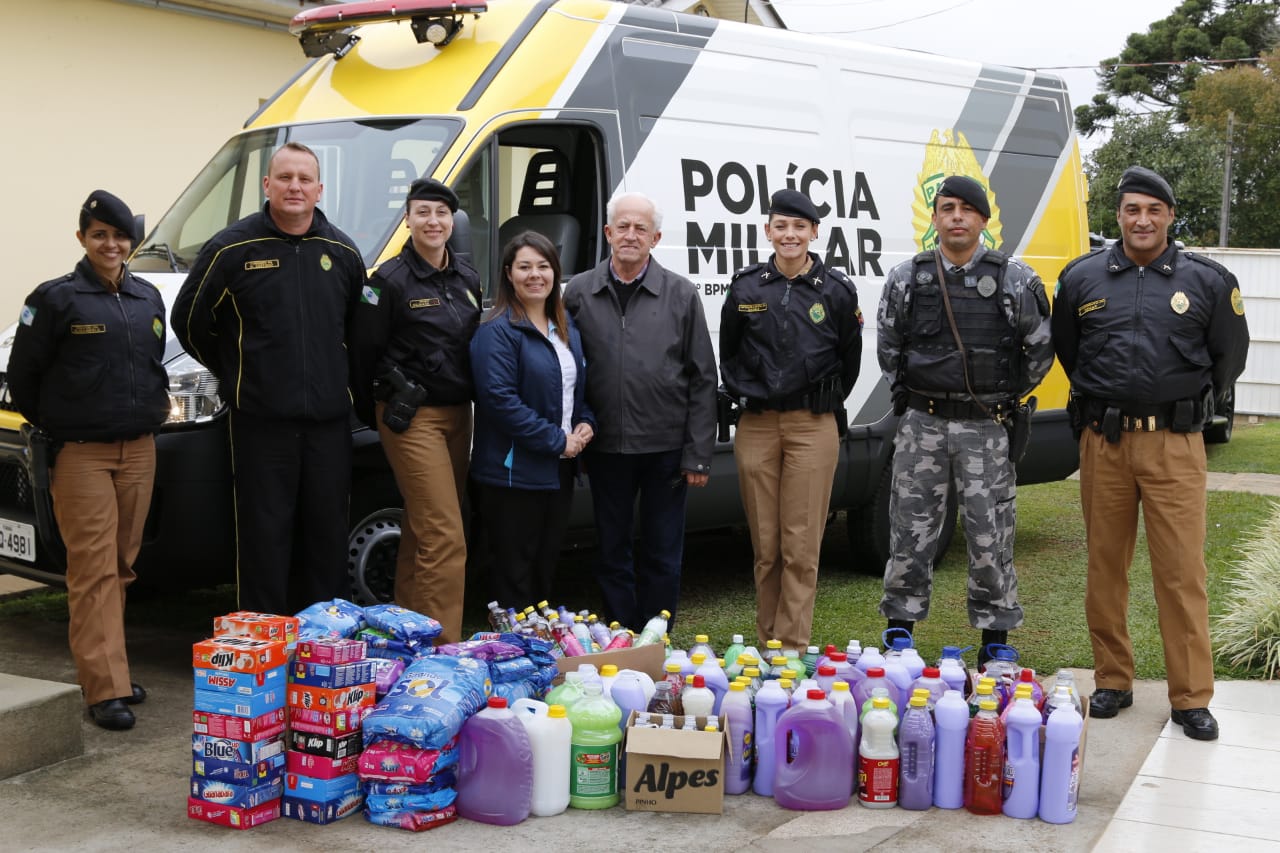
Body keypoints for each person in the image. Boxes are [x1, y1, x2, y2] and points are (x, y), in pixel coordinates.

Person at [1052, 165, 1249, 740]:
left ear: (1169, 216)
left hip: (1175, 444)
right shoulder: (1082, 278)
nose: (1142, 220)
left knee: (1182, 571)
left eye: (1153, 210)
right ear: (1119, 215)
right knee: (1105, 567)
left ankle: (1190, 696)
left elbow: (1227, 358)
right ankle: (1112, 679)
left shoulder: (1208, 281)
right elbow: (1070, 350)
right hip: (1105, 443)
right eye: (1132, 209)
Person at [173, 142, 366, 616]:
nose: (295, 187)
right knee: (264, 538)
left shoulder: (341, 252)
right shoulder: (231, 249)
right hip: (261, 423)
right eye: (285, 177)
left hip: (328, 424)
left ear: (320, 189)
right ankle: (264, 646)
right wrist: (236, 371)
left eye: (304, 179)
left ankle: (322, 645)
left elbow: (358, 333)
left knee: (325, 538)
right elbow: (190, 321)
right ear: (267, 185)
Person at [8, 191, 169, 730]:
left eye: (120, 236)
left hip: (139, 450)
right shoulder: (54, 299)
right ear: (82, 239)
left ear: (131, 242)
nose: (111, 244)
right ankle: (103, 690)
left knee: (121, 567)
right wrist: (64, 423)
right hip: (81, 454)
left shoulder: (147, 297)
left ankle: (113, 673)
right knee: (93, 570)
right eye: (99, 234)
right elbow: (25, 377)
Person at [876, 175, 1053, 664]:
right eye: (946, 207)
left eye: (966, 209)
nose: (956, 216)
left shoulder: (1015, 279)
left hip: (985, 428)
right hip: (923, 424)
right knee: (909, 529)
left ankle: (995, 639)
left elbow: (1039, 350)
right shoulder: (907, 278)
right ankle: (899, 628)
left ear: (983, 220)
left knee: (989, 532)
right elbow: (889, 347)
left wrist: (1001, 398)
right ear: (934, 218)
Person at [563, 192, 717, 632]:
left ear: (656, 238)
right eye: (623, 227)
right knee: (611, 547)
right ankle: (620, 632)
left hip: (665, 448)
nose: (631, 236)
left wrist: (698, 454)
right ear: (609, 233)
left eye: (641, 229)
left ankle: (656, 634)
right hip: (605, 445)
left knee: (662, 549)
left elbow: (704, 377)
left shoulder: (681, 295)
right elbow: (567, 367)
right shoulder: (579, 292)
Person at [720, 189, 862, 651]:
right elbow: (730, 352)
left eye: (800, 226)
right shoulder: (747, 287)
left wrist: (819, 399)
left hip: (812, 424)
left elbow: (849, 360)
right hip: (758, 425)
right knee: (766, 547)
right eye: (781, 225)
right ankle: (767, 646)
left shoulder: (836, 292)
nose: (790, 235)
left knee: (800, 547)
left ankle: (792, 648)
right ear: (768, 230)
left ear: (815, 232)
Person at [349, 178, 481, 644]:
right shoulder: (386, 282)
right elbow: (362, 355)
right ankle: (442, 651)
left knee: (423, 526)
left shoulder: (466, 277)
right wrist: (382, 412)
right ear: (407, 218)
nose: (432, 221)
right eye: (422, 212)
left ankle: (405, 629)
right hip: (412, 417)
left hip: (457, 416)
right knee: (446, 532)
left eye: (441, 213)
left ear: (452, 221)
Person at [470, 231, 594, 609]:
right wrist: (558, 441)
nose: (534, 275)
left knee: (544, 564)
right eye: (525, 267)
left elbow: (575, 389)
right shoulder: (497, 332)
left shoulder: (566, 327)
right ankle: (511, 652)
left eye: (543, 266)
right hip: (512, 473)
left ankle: (537, 649)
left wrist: (585, 422)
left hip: (557, 471)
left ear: (556, 273)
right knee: (514, 571)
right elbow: (499, 401)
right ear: (509, 274)